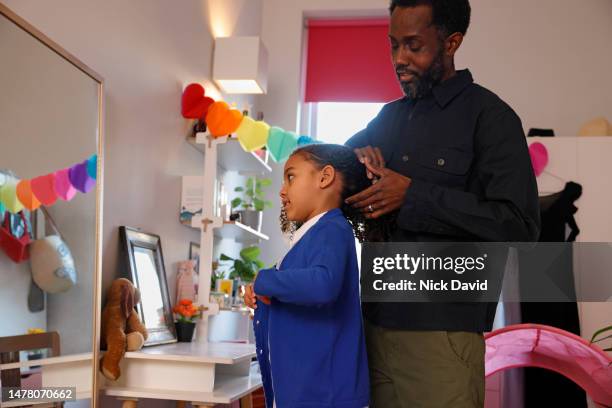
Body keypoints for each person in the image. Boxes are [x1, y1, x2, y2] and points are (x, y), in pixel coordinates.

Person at [344, 0, 541, 407]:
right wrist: (355, 159)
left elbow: (520, 226)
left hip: (443, 338)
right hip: (370, 329)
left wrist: (414, 195)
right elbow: (339, 176)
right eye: (393, 45)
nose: (400, 59)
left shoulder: (492, 118)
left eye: (413, 46)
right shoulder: (388, 118)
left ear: (451, 42)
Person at [245, 144, 388, 408]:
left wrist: (265, 280)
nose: (282, 190)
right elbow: (298, 294)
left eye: (291, 176)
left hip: (324, 395)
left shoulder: (331, 228)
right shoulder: (310, 236)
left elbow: (322, 284)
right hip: (304, 390)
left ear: (325, 177)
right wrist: (263, 295)